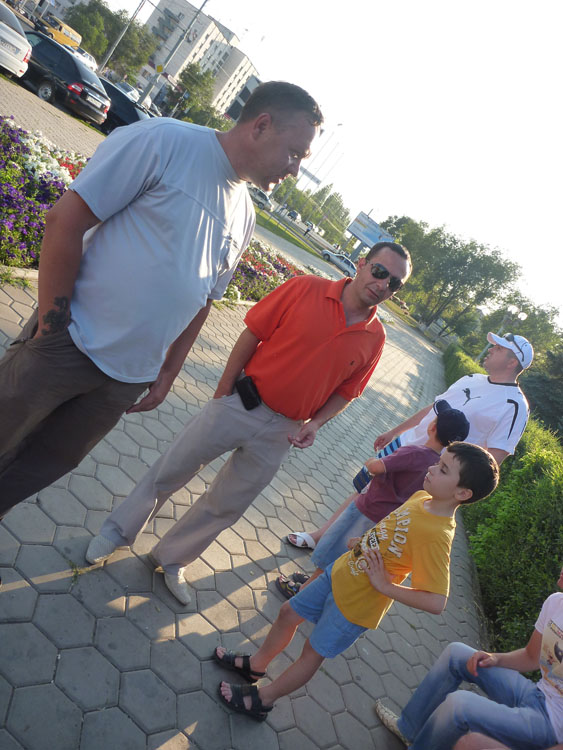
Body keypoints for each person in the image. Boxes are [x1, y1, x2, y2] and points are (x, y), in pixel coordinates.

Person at [0, 82, 324, 519]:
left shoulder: (244, 214)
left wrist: (168, 370)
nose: (295, 170)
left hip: (124, 382)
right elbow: (65, 221)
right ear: (261, 125)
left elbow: (205, 299)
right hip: (67, 344)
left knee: (44, 464)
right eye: (295, 154)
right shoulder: (166, 142)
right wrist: (51, 328)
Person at [85, 241, 412, 604]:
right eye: (380, 271)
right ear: (362, 264)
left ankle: (171, 559)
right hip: (240, 401)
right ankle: (116, 532)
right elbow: (252, 332)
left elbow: (347, 391)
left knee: (227, 503)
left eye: (394, 283)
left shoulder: (375, 337)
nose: (383, 284)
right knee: (171, 470)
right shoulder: (306, 288)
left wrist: (316, 423)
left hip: (285, 431)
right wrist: (223, 392)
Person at [213, 442, 499, 721]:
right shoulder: (421, 497)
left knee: (311, 652)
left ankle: (264, 699)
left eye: (444, 469)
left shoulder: (438, 535)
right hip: (340, 572)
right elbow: (393, 530)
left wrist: (387, 587)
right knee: (288, 613)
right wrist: (361, 541)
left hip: (356, 606)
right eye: (438, 462)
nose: (432, 468)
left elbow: (436, 601)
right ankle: (256, 666)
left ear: (462, 492)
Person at [285, 330, 533, 551]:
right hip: (405, 446)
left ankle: (337, 564)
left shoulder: (515, 406)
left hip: (429, 469)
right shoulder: (471, 379)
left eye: (499, 348)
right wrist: (395, 431)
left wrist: (451, 491)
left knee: (383, 517)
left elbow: (493, 459)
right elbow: (433, 408)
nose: (491, 349)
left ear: (512, 362)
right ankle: (321, 538)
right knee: (364, 492)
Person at [276, 399, 470, 598]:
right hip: (385, 521)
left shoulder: (413, 452)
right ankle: (316, 586)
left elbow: (376, 467)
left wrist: (371, 461)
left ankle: (303, 592)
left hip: (367, 509)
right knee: (349, 556)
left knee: (334, 551)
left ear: (432, 427)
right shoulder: (436, 468)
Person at [374, 565, 563, 750]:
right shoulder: (555, 603)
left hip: (550, 726)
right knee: (456, 654)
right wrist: (495, 658)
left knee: (459, 705)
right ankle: (408, 730)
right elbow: (530, 656)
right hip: (536, 693)